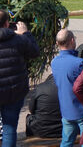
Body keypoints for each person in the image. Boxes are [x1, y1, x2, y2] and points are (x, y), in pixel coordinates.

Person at [0, 10, 39, 147]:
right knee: (9, 129)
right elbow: (35, 52)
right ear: (7, 23)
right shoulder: (19, 40)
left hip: (12, 92)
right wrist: (26, 33)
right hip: (13, 92)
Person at [51, 29, 83, 147]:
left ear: (58, 43)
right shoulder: (80, 63)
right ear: (72, 40)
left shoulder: (54, 62)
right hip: (82, 110)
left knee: (66, 142)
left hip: (66, 110)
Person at [25, 74, 62, 138]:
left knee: (29, 118)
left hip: (41, 131)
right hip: (61, 129)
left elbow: (31, 109)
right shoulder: (66, 88)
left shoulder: (39, 88)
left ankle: (30, 140)